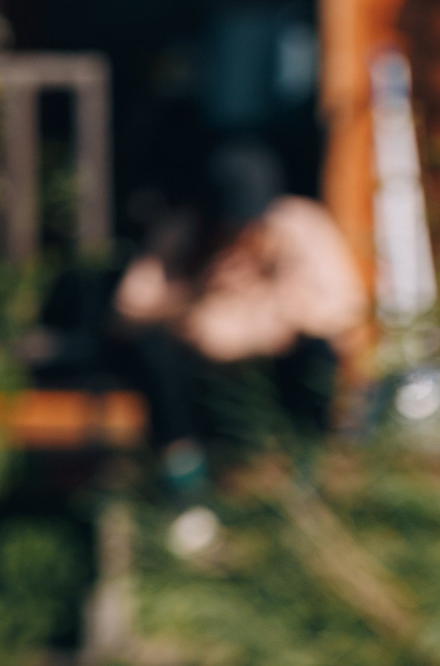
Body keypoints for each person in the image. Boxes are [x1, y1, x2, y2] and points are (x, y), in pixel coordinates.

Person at [111, 140, 366, 487]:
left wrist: (286, 302)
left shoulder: (300, 225)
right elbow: (128, 310)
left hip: (276, 362)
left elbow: (346, 307)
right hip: (205, 370)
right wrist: (196, 293)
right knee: (153, 350)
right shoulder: (184, 230)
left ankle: (311, 466)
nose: (239, 232)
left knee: (318, 354)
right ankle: (184, 477)